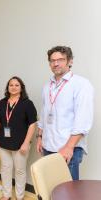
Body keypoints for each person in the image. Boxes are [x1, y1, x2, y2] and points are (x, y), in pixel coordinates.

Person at [36, 46, 94, 180]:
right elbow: (44, 113)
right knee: (51, 188)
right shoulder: (47, 86)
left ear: (70, 61)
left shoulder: (81, 84)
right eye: (52, 60)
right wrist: (40, 136)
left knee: (67, 192)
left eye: (61, 59)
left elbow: (83, 120)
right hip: (48, 146)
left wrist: (69, 147)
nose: (56, 63)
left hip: (68, 149)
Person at [0, 76, 37, 200]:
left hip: (20, 144)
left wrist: (26, 143)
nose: (14, 87)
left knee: (19, 171)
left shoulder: (27, 103)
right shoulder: (2, 102)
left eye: (17, 85)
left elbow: (32, 124)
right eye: (11, 85)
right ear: (8, 87)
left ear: (21, 87)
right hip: (3, 143)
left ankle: (19, 196)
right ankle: (6, 195)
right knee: (5, 169)